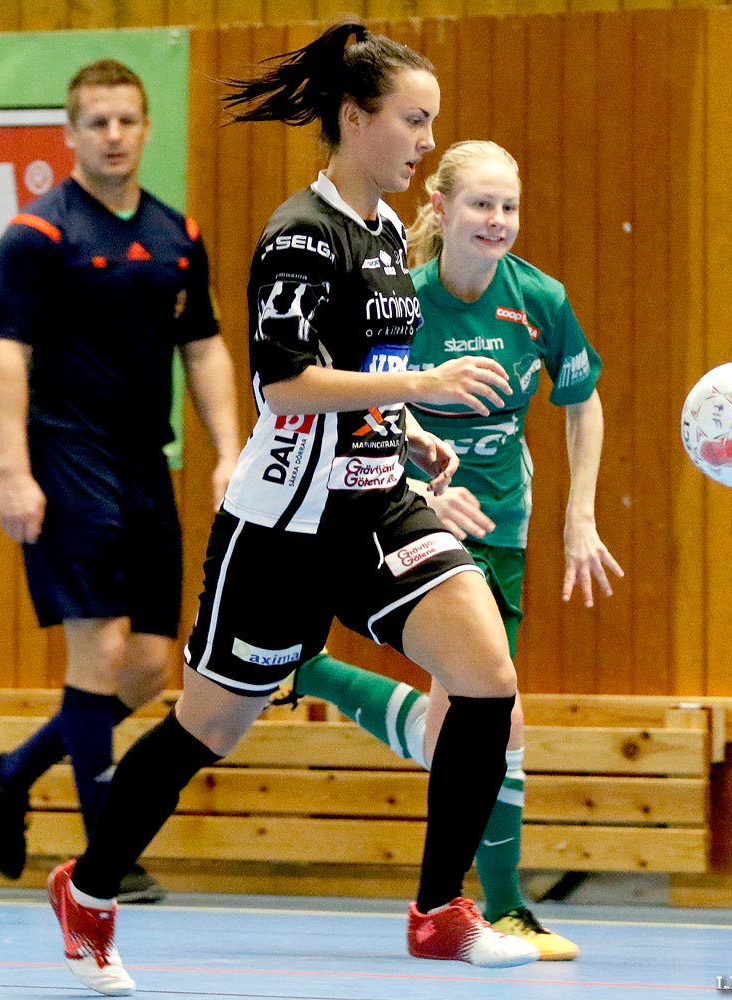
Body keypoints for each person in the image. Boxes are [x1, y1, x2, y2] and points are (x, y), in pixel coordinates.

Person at [46, 23, 540, 996]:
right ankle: (89, 887)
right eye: (411, 121)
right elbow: (282, 383)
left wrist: (404, 430)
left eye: (430, 123)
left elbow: (369, 375)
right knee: (206, 729)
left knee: (485, 675)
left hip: (374, 507)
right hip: (279, 531)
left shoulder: (391, 231)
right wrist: (430, 380)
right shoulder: (300, 236)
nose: (423, 143)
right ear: (353, 120)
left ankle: (439, 911)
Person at [282, 139, 623, 960]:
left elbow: (582, 402)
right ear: (440, 207)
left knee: (465, 727)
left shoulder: (537, 299)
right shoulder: (401, 300)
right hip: (397, 516)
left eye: (508, 206)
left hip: (497, 530)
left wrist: (579, 515)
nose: (497, 221)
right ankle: (498, 909)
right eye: (480, 205)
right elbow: (359, 410)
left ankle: (312, 673)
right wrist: (427, 488)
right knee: (490, 714)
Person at [0, 59, 241, 907]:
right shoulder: (38, 235)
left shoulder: (176, 235)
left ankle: (10, 775)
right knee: (101, 651)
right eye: (97, 122)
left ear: (146, 127)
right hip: (64, 458)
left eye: (127, 120)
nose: (114, 136)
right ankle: (104, 861)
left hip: (142, 465)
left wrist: (230, 450)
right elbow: (4, 354)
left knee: (151, 669)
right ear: (71, 133)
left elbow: (203, 348)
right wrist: (14, 472)